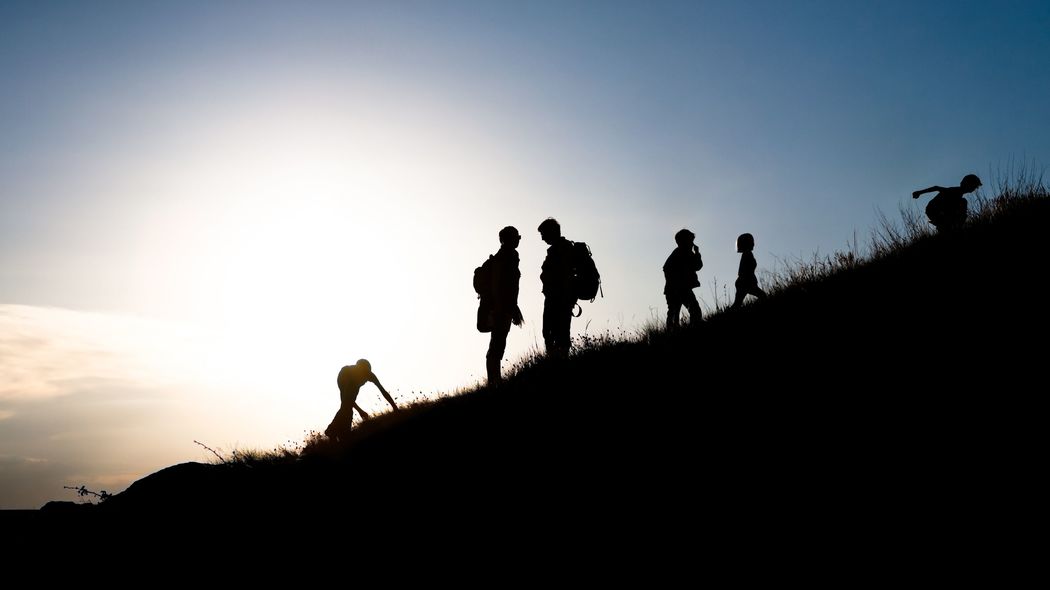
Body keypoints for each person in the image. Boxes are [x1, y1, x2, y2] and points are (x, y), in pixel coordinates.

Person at [484, 226, 524, 385]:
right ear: (507, 240)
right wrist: (509, 308)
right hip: (500, 308)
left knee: (497, 343)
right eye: (516, 237)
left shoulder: (508, 257)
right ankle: (494, 382)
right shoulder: (506, 258)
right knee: (497, 345)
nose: (518, 240)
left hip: (502, 307)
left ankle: (494, 381)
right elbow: (504, 287)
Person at [324, 359, 398, 439]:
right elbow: (348, 400)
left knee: (347, 406)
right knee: (346, 406)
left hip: (353, 383)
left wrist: (395, 408)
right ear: (357, 370)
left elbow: (383, 391)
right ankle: (338, 431)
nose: (364, 376)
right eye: (362, 372)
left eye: (366, 373)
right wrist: (360, 411)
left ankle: (335, 431)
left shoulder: (370, 375)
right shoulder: (350, 377)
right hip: (343, 377)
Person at [538, 218, 575, 358]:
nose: (542, 238)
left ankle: (557, 365)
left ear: (551, 232)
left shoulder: (562, 249)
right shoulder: (559, 249)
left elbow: (563, 275)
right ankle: (556, 362)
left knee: (558, 334)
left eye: (543, 234)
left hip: (559, 298)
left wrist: (566, 297)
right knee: (553, 333)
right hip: (557, 297)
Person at [663, 229, 703, 329]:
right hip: (679, 288)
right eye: (690, 241)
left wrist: (697, 254)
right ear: (684, 241)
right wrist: (697, 254)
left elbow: (697, 266)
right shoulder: (683, 253)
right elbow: (697, 266)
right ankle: (695, 327)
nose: (692, 243)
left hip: (675, 289)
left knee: (674, 312)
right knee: (692, 309)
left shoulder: (682, 253)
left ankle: (673, 331)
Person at [912, 174, 982, 231]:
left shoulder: (959, 194)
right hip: (933, 209)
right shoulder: (955, 191)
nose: (974, 189)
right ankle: (945, 224)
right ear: (969, 185)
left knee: (961, 207)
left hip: (938, 210)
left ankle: (946, 226)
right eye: (974, 187)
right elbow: (936, 187)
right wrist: (919, 192)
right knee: (963, 204)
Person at [731, 233, 767, 309]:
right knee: (763, 296)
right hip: (745, 282)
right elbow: (744, 271)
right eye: (751, 242)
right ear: (747, 243)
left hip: (744, 282)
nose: (753, 244)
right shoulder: (747, 254)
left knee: (737, 303)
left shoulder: (747, 254)